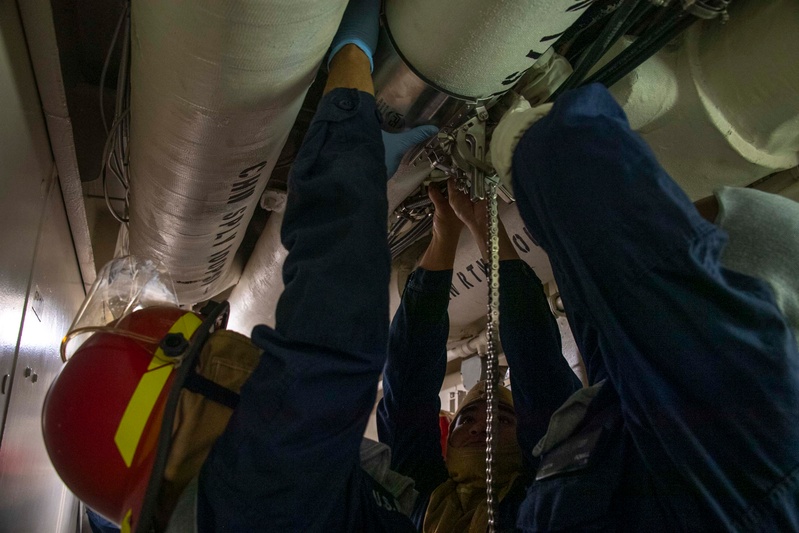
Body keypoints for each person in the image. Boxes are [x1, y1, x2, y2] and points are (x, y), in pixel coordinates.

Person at [377, 179, 581, 531]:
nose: (480, 427)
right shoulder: (423, 501)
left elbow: (540, 374)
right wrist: (446, 232)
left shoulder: (549, 497)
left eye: (501, 420)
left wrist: (483, 228)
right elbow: (408, 378)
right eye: (468, 419)